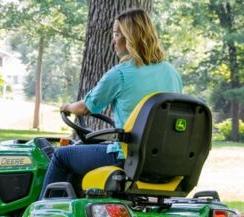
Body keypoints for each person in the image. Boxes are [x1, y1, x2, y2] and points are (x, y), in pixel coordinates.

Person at [40, 8, 182, 198]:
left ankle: (41, 213)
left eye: (116, 34)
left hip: (126, 157)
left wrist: (66, 107)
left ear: (131, 37)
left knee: (61, 155)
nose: (113, 41)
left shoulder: (121, 74)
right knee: (80, 150)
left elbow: (85, 108)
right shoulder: (171, 72)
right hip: (161, 160)